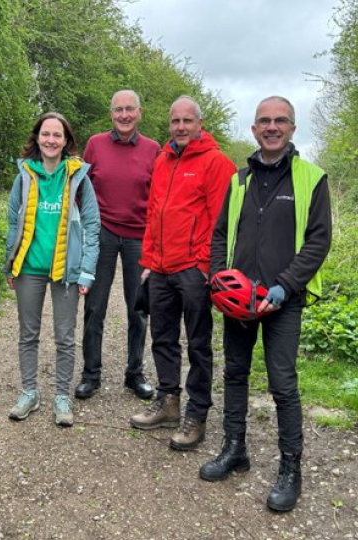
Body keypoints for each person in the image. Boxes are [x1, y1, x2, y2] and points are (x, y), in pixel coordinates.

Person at [200, 96, 332, 513]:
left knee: (282, 384)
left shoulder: (312, 179)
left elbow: (318, 240)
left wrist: (286, 286)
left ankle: (290, 469)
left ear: (292, 128)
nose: (271, 127)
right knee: (235, 374)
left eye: (280, 121)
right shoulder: (238, 181)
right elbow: (219, 233)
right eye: (263, 121)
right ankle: (234, 448)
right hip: (239, 301)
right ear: (254, 130)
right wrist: (219, 279)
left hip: (282, 301)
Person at [129, 96, 235, 450]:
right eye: (175, 121)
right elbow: (154, 213)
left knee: (198, 343)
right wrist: (148, 260)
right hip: (159, 267)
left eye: (187, 121)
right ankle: (169, 400)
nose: (181, 127)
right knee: (162, 337)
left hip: (193, 269)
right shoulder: (163, 159)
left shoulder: (216, 162)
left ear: (199, 123)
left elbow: (223, 221)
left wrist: (206, 267)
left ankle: (197, 413)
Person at [3, 111, 100, 427]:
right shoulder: (24, 175)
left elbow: (92, 224)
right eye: (46, 134)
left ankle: (61, 397)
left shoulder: (78, 177)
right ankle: (29, 392)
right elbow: (13, 222)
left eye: (57, 135)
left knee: (65, 337)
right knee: (27, 334)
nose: (51, 140)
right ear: (37, 138)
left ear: (66, 141)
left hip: (66, 270)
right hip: (29, 267)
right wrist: (10, 264)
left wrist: (87, 270)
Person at [76, 90, 160, 401]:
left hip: (139, 237)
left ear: (139, 112)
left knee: (138, 309)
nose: (124, 115)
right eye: (118, 110)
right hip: (102, 235)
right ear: (111, 114)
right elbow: (80, 188)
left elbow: (159, 197)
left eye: (129, 109)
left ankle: (134, 373)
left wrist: (155, 242)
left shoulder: (154, 149)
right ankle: (90, 374)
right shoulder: (95, 144)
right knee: (94, 306)